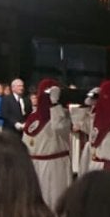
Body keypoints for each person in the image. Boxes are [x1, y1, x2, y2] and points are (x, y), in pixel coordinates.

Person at [22, 78, 73, 208]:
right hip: (35, 164)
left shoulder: (62, 114)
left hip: (55, 165)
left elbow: (59, 127)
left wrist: (55, 105)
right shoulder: (33, 116)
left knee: (55, 200)